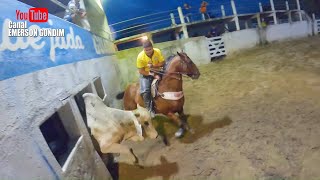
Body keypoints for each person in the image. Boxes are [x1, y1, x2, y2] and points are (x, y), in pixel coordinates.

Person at [136, 40, 165, 117]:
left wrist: (153, 66)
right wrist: (153, 75)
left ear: (152, 47)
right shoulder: (140, 57)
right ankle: (150, 110)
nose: (148, 51)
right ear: (143, 49)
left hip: (157, 70)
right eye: (146, 50)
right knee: (145, 91)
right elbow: (141, 71)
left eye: (150, 49)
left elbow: (162, 62)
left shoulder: (157, 51)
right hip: (146, 74)